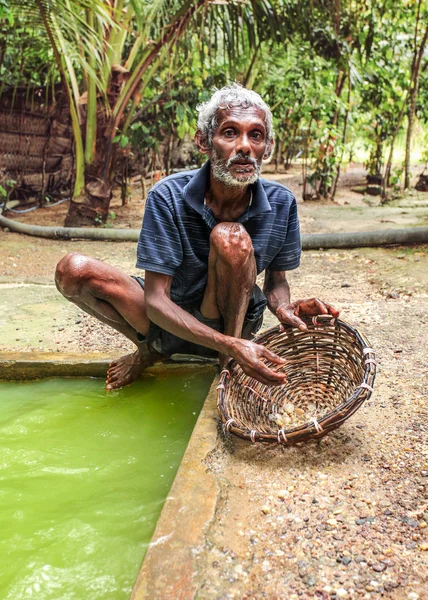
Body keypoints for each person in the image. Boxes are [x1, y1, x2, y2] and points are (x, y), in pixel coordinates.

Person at [55, 84, 339, 390]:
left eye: (255, 135)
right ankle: (151, 350)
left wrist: (283, 307)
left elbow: (276, 282)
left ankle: (227, 366)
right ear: (203, 141)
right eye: (230, 133)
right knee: (72, 270)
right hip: (167, 314)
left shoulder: (282, 202)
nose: (244, 146)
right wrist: (230, 343)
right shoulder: (167, 196)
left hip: (233, 315)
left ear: (267, 148)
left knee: (230, 237)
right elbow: (155, 299)